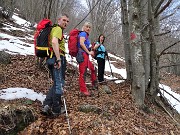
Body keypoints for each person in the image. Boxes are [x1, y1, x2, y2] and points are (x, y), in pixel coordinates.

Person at [41, 14, 69, 116]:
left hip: (51, 59)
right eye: (64, 20)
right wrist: (58, 59)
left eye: (67, 21)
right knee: (59, 84)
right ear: (59, 20)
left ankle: (47, 105)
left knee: (57, 83)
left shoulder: (54, 29)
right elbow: (54, 42)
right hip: (57, 58)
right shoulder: (58, 29)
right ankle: (56, 109)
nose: (66, 23)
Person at [77, 22, 97, 96]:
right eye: (87, 27)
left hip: (85, 55)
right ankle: (83, 90)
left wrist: (91, 50)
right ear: (83, 27)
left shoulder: (86, 36)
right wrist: (88, 52)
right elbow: (81, 43)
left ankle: (93, 83)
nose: (88, 28)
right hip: (82, 55)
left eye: (89, 27)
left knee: (93, 68)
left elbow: (86, 45)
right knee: (83, 73)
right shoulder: (83, 34)